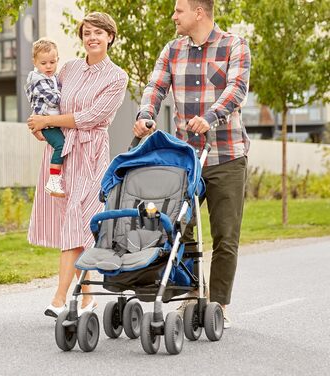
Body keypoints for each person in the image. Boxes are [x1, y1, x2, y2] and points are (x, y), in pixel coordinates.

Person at [133, 0, 251, 328]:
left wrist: (211, 116)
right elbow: (154, 88)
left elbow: (237, 89)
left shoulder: (234, 45)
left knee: (226, 236)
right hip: (186, 160)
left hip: (227, 156)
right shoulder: (172, 50)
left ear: (198, 12)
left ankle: (219, 305)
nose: (173, 16)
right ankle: (190, 292)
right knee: (177, 225)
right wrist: (145, 115)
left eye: (178, 10)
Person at [27, 12, 128, 318]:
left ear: (110, 36)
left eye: (98, 32)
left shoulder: (116, 77)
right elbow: (46, 99)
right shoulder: (68, 68)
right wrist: (39, 127)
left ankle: (59, 298)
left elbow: (91, 117)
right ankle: (87, 300)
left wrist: (48, 120)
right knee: (76, 226)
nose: (92, 37)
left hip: (91, 153)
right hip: (63, 154)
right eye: (87, 33)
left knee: (77, 218)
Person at [25, 38, 66, 198]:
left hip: (51, 121)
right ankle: (54, 179)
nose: (48, 66)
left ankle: (57, 177)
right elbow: (53, 99)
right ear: (35, 62)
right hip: (47, 124)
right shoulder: (38, 80)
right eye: (44, 63)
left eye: (52, 62)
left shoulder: (52, 78)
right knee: (61, 146)